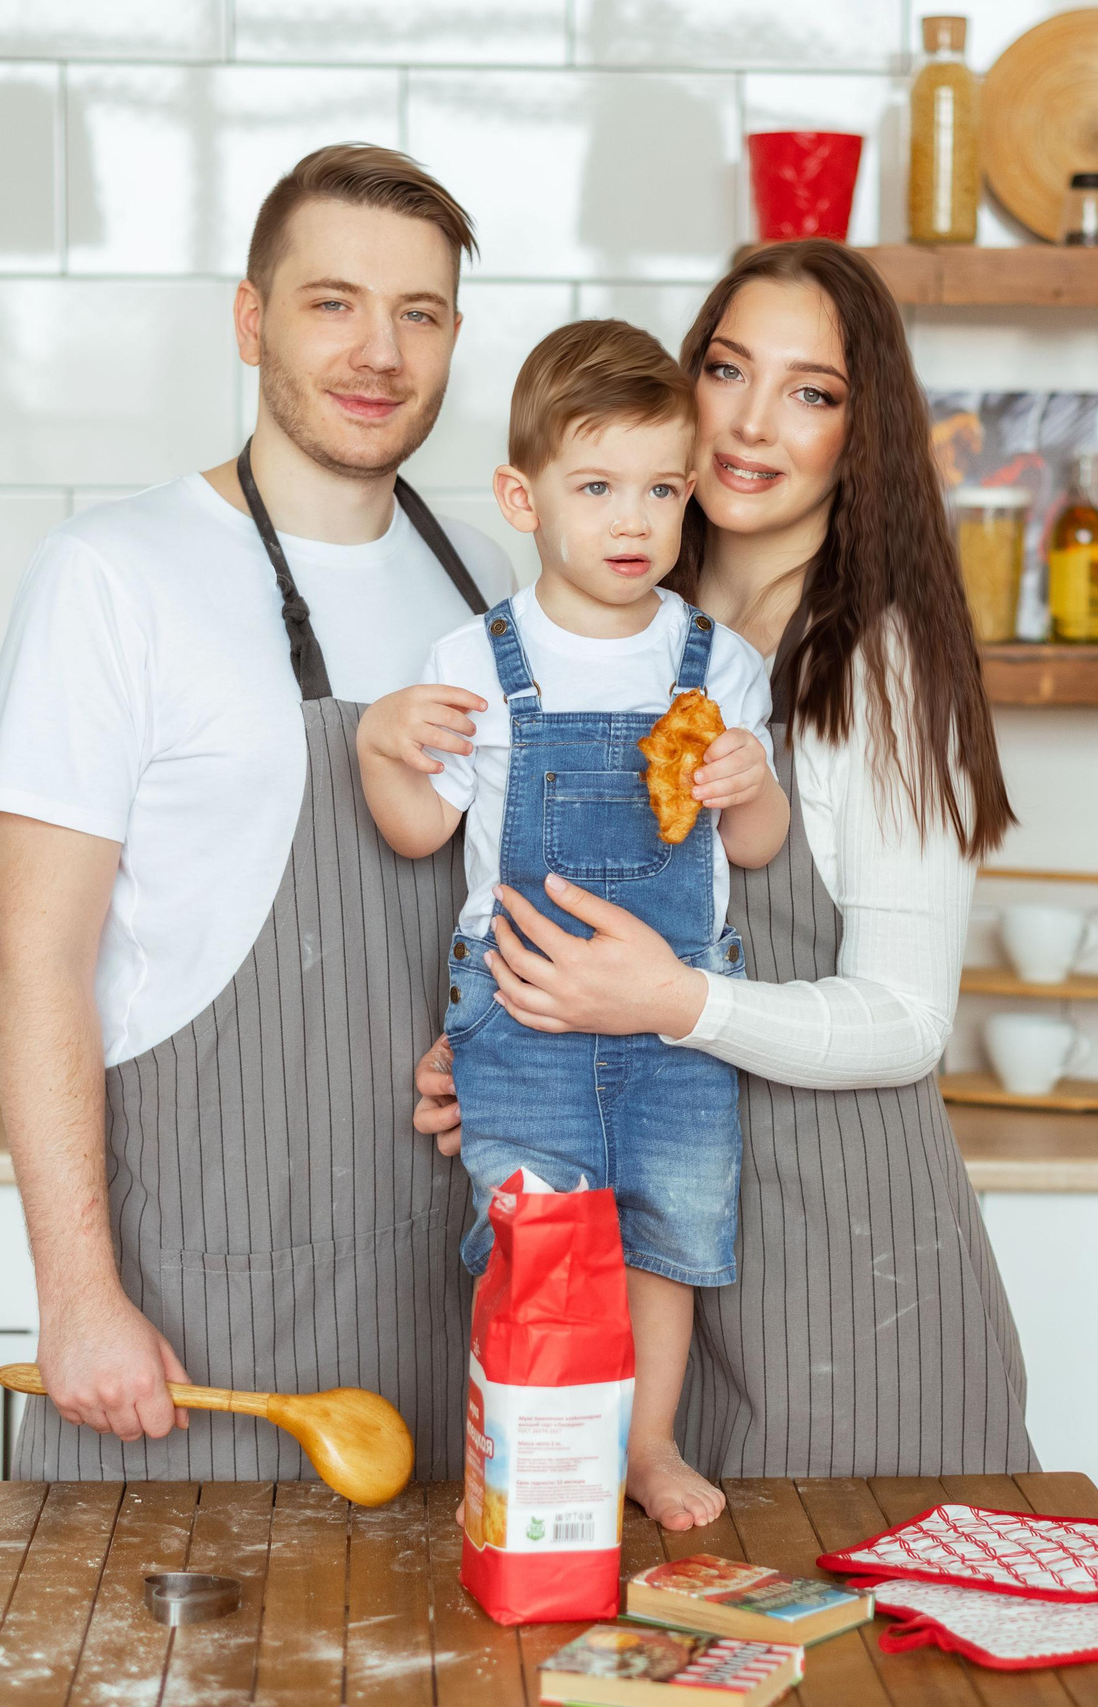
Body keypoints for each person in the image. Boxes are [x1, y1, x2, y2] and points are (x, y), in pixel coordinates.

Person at [416, 239, 1037, 1477]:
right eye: (727, 369)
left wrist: (667, 1001)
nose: (753, 424)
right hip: (666, 1275)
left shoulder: (879, 664)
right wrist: (507, 1037)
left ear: (860, 436)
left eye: (812, 392)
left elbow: (908, 1021)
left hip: (849, 1278)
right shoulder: (636, 639)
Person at [0, 144, 515, 1479]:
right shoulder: (112, 573)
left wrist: (505, 1051)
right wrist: (78, 1294)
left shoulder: (490, 585)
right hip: (188, 1316)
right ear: (250, 318)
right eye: (333, 300)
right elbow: (39, 962)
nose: (378, 350)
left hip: (442, 1290)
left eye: (421, 312)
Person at [356, 319, 788, 1529]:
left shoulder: (718, 666)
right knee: (538, 1240)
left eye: (660, 489)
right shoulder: (476, 660)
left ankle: (646, 1447)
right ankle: (533, 1446)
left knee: (666, 1238)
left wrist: (752, 787)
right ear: (523, 496)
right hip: (524, 1016)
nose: (632, 521)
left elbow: (753, 847)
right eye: (595, 488)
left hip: (676, 1027)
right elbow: (416, 833)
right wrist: (380, 747)